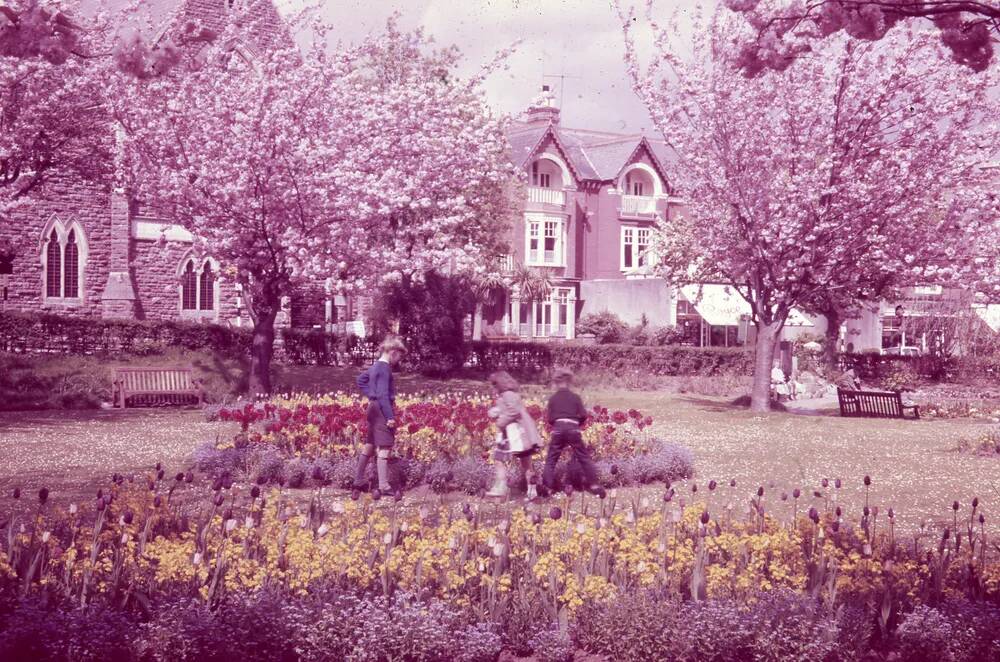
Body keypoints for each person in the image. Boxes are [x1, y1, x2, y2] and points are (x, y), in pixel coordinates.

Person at [352, 335, 406, 501]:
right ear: (392, 352)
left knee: (369, 444)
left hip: (373, 409)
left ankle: (358, 481)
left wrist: (371, 396)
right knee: (385, 445)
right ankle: (384, 486)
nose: (399, 359)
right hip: (382, 409)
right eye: (399, 355)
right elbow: (383, 394)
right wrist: (390, 416)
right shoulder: (384, 368)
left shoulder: (375, 366)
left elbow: (361, 380)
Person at [541, 368, 605, 497]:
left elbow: (550, 418)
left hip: (558, 428)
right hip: (573, 428)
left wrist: (558, 425)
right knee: (583, 457)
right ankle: (593, 484)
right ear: (569, 382)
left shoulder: (553, 399)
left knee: (551, 459)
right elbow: (583, 415)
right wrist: (576, 423)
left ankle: (547, 487)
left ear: (556, 382)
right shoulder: (575, 397)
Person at [485, 371, 542, 499]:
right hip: (519, 434)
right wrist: (496, 411)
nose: (493, 388)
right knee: (526, 464)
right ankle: (532, 492)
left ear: (500, 384)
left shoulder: (507, 394)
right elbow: (511, 409)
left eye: (494, 384)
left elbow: (513, 411)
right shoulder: (510, 394)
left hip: (513, 435)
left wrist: (500, 421)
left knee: (500, 459)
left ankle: (501, 488)